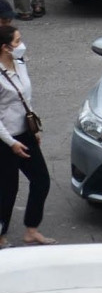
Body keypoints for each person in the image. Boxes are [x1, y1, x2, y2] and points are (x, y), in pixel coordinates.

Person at [0, 24, 51, 247]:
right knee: (8, 188)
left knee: (41, 181)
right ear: (5, 47)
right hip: (4, 139)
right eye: (17, 41)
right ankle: (1, 233)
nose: (21, 45)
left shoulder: (20, 64)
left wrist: (33, 128)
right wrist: (11, 143)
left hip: (25, 133)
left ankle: (31, 229)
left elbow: (24, 97)